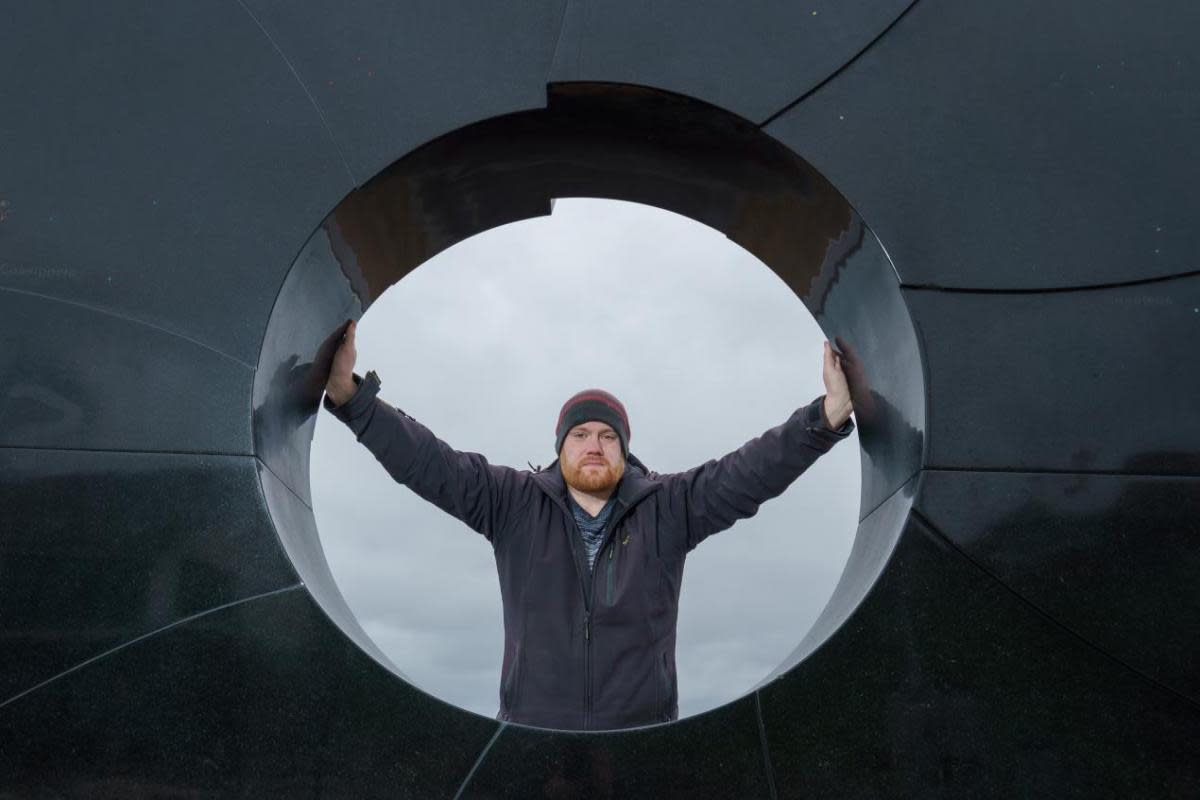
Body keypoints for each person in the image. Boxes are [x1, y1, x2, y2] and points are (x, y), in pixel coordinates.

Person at [323, 320, 854, 730]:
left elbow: (749, 472)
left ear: (625, 448)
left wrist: (825, 416)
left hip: (640, 746)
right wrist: (352, 399)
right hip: (533, 744)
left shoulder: (669, 507)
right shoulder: (511, 502)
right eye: (580, 436)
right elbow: (430, 463)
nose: (593, 446)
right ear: (561, 448)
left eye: (607, 435)